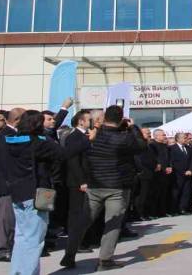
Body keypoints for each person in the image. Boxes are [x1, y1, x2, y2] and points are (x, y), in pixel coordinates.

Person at [0, 110, 64, 275]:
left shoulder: (10, 140)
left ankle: (17, 271)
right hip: (36, 193)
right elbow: (60, 153)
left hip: (17, 191)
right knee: (34, 239)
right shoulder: (40, 142)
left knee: (21, 237)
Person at [85, 105, 147, 271]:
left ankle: (70, 253)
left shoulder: (94, 134)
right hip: (117, 186)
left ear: (105, 118)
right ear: (121, 120)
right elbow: (142, 146)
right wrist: (133, 127)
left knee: (84, 220)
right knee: (112, 224)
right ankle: (105, 260)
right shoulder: (124, 138)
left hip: (94, 184)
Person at [61, 110, 93, 269]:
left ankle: (78, 244)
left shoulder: (84, 136)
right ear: (81, 121)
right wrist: (81, 181)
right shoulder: (74, 137)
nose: (91, 122)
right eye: (89, 120)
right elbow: (73, 161)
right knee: (77, 215)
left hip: (86, 180)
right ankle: (72, 250)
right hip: (77, 182)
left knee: (84, 214)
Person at [0, 107, 24, 262]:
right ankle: (2, 249)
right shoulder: (6, 135)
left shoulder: (15, 134)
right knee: (7, 218)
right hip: (8, 183)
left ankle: (10, 246)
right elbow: (5, 161)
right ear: (17, 119)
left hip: (16, 182)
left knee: (13, 218)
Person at [169, 133, 192, 215]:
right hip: (177, 175)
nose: (186, 139)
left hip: (188, 174)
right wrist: (182, 172)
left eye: (186, 138)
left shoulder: (188, 148)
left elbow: (191, 160)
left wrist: (190, 169)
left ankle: (183, 208)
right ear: (178, 139)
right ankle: (174, 209)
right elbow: (173, 162)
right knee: (176, 193)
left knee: (186, 192)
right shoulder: (172, 148)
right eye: (184, 138)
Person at [151, 130, 172, 217]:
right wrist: (162, 167)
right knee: (156, 193)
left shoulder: (165, 146)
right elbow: (154, 159)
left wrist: (170, 166)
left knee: (164, 193)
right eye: (163, 135)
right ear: (156, 136)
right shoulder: (152, 146)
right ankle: (153, 212)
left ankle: (163, 211)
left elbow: (169, 158)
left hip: (166, 173)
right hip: (157, 173)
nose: (165, 136)